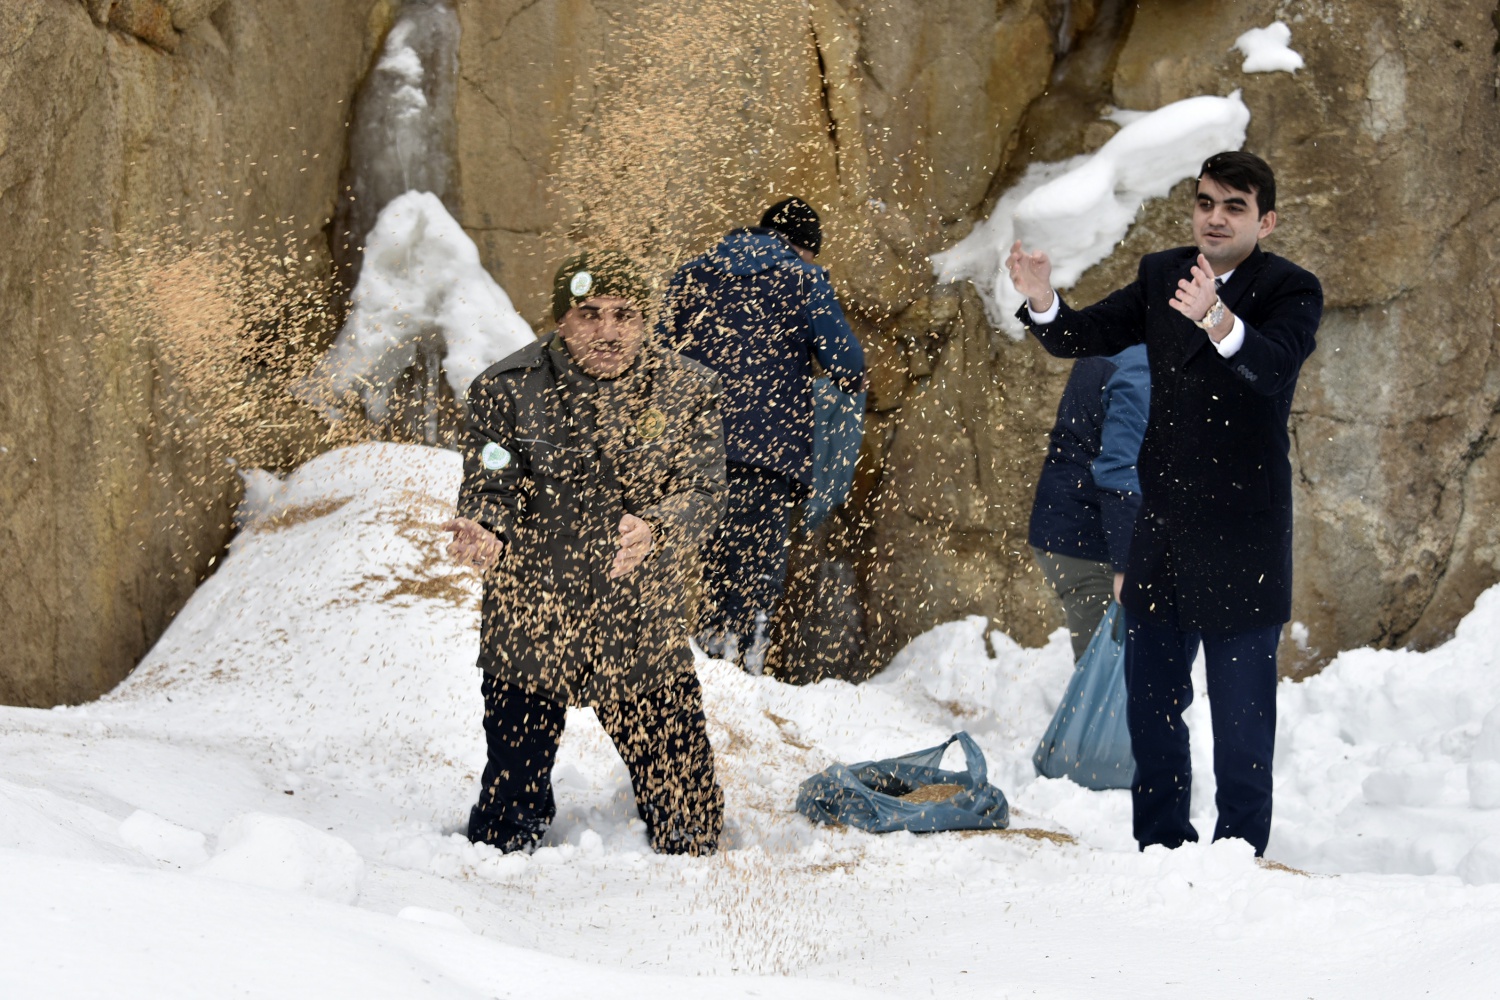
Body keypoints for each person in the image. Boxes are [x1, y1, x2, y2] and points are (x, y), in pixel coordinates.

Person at [1007, 151, 1322, 857]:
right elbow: (1085, 336)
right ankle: (1162, 849)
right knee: (1151, 710)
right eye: (1206, 202)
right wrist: (1043, 300)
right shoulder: (1163, 273)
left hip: (1244, 535)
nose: (1216, 218)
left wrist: (1217, 317)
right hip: (1164, 531)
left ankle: (1239, 857)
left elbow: (1272, 368)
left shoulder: (1291, 288)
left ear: (1266, 221)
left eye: (1234, 207)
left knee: (1243, 723)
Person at [442, 251, 728, 856]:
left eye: (625, 315)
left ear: (645, 321)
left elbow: (704, 491)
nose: (608, 331)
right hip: (534, 616)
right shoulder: (507, 388)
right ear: (560, 320)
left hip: (638, 620)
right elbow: (491, 484)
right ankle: (499, 885)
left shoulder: (687, 389)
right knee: (503, 829)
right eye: (589, 313)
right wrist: (486, 529)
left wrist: (657, 528)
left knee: (693, 826)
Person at [659, 197, 865, 670]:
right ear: (802, 246)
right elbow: (849, 365)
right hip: (766, 455)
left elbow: (658, 360)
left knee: (711, 566)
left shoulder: (692, 273)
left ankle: (709, 660)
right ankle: (743, 669)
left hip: (695, 454)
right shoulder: (802, 277)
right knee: (754, 573)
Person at [1029, 344, 1150, 662]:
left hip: (1070, 529)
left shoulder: (1117, 342)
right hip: (1090, 543)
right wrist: (1127, 565)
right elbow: (1122, 472)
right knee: (1110, 674)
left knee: (1116, 671)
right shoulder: (1140, 368)